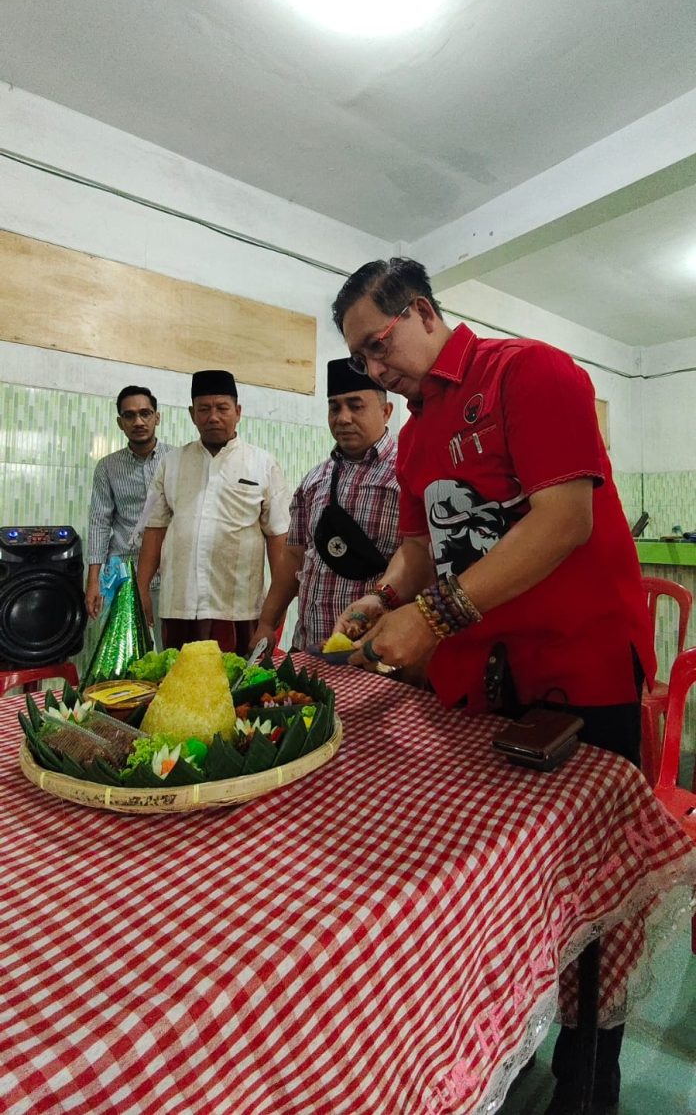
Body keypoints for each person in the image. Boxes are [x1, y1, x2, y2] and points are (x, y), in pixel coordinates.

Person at [330, 257, 655, 1115]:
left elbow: (564, 520)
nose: (373, 369)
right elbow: (419, 547)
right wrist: (385, 596)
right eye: (360, 359)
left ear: (421, 311)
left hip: (580, 671)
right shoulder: (414, 435)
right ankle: (513, 1046)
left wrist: (433, 617)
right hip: (485, 682)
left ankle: (589, 1084)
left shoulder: (529, 373)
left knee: (593, 886)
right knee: (512, 880)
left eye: (378, 345)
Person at [137, 369, 289, 655]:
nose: (213, 417)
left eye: (222, 408)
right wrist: (141, 588)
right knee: (179, 677)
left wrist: (278, 604)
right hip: (180, 605)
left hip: (239, 607)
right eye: (204, 409)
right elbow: (155, 529)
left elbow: (278, 537)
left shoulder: (263, 464)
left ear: (238, 412)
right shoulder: (172, 463)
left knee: (237, 680)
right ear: (192, 414)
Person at [252, 358, 401, 651]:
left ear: (386, 411)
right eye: (335, 407)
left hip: (373, 652)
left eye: (355, 406)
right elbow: (293, 557)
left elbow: (420, 564)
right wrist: (267, 623)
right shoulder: (315, 480)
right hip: (310, 646)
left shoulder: (406, 475)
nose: (343, 418)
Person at [86, 385, 171, 647]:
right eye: (129, 415)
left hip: (170, 575)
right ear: (120, 422)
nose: (138, 421)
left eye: (145, 413)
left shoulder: (177, 460)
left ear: (157, 417)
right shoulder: (107, 467)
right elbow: (99, 522)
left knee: (170, 653)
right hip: (124, 576)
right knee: (125, 656)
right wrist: (93, 581)